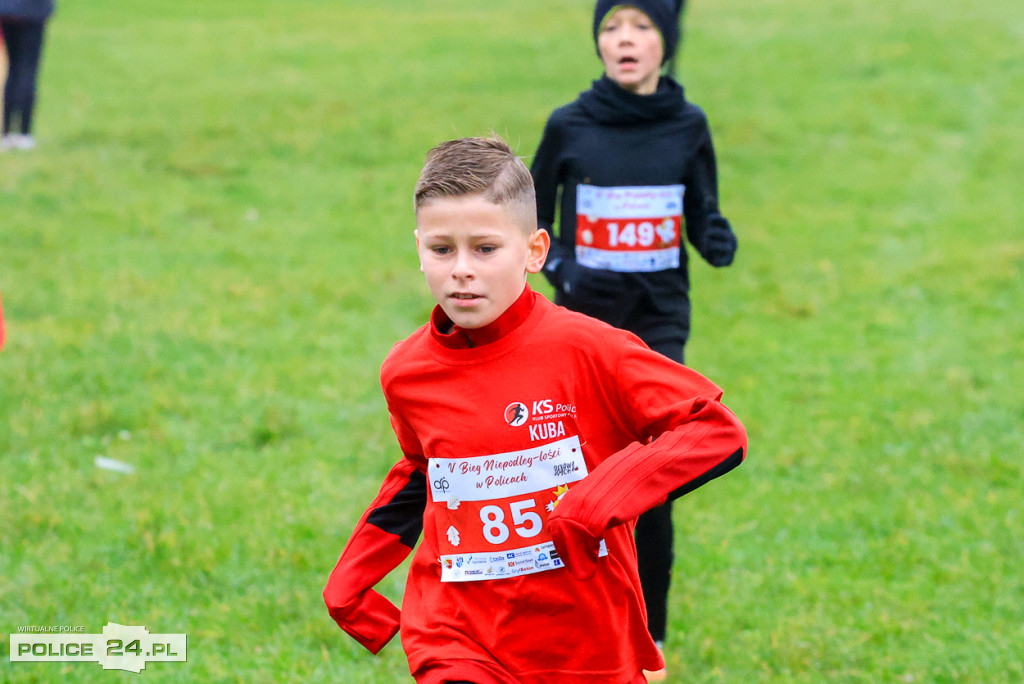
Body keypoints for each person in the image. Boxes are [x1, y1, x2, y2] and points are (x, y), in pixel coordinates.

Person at [323, 135, 747, 684]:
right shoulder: (406, 373)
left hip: (583, 633)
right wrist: (352, 580)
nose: (461, 270)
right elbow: (426, 474)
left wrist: (599, 499)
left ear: (535, 251)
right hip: (456, 631)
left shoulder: (593, 350)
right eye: (441, 249)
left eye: (485, 248)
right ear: (418, 247)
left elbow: (715, 429)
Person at [529, 0, 739, 675]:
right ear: (597, 41)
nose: (625, 40)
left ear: (666, 43)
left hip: (657, 325)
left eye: (642, 27)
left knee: (651, 475)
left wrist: (713, 237)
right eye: (612, 27)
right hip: (584, 327)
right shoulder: (569, 125)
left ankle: (648, 639)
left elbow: (703, 212)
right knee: (578, 474)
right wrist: (562, 265)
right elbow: (528, 225)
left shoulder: (687, 125)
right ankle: (573, 620)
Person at [0, 0, 55, 151]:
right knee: (28, 70)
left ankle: (6, 133)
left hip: (7, 11)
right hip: (33, 12)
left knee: (13, 69)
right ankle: (24, 133)